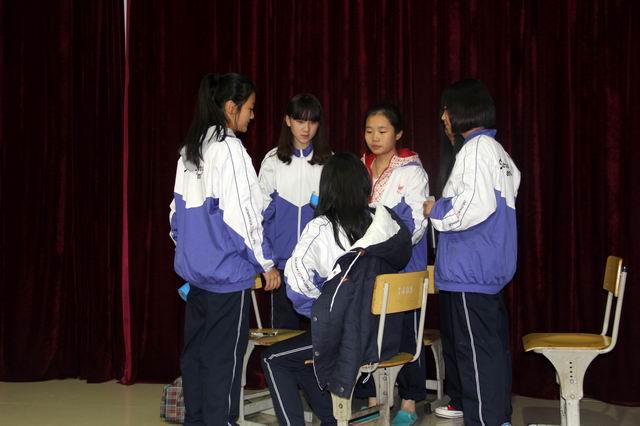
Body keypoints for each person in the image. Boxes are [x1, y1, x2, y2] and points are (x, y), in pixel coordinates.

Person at [261, 153, 412, 425]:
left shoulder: (323, 228)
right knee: (304, 362)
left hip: (350, 340)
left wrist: (324, 310)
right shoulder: (385, 223)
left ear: (327, 188)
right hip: (386, 338)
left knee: (273, 358)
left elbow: (296, 282)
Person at [169, 73, 280, 426]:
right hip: (227, 278)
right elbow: (243, 215)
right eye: (250, 108)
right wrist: (266, 263)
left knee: (197, 356)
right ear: (231, 107)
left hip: (198, 277)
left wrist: (194, 254)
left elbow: (175, 217)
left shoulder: (190, 149)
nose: (252, 116)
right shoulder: (230, 149)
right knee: (223, 361)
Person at [424, 78, 520, 426]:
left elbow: (473, 207)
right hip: (484, 268)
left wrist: (435, 210)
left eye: (447, 110)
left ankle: (484, 419)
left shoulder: (476, 149)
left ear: (464, 110)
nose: (443, 117)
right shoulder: (497, 151)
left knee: (475, 353)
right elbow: (510, 186)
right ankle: (496, 415)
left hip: (470, 269)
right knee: (489, 349)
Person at [360, 103, 430, 425]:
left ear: (398, 133)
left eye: (382, 131)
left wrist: (386, 250)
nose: (374, 138)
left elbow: (416, 223)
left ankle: (410, 403)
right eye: (369, 131)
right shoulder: (360, 167)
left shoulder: (411, 171)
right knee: (367, 331)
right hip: (367, 268)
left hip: (403, 267)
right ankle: (373, 400)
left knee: (406, 335)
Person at [258, 93, 331, 329]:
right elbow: (259, 216)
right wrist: (268, 261)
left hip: (318, 268)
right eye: (300, 121)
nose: (306, 128)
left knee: (320, 336)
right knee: (284, 335)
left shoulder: (329, 162)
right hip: (281, 267)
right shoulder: (272, 161)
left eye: (312, 122)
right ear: (288, 121)